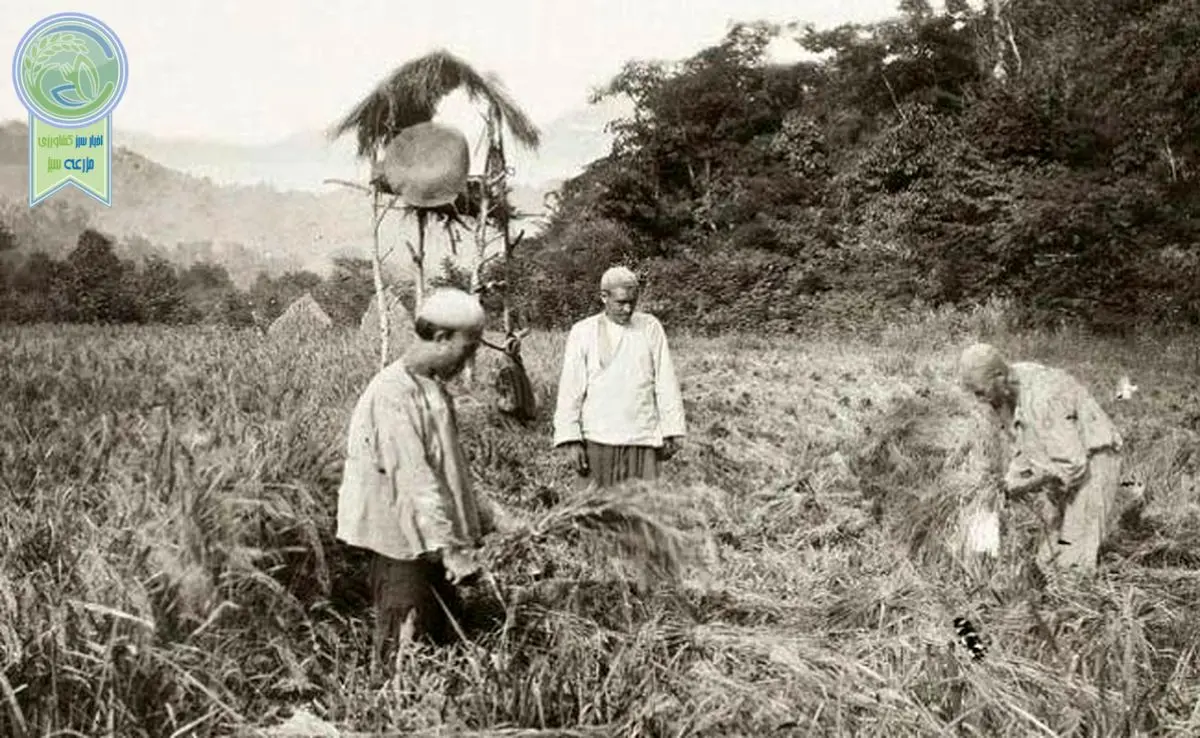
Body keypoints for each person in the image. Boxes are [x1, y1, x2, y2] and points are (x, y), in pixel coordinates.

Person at [336, 287, 503, 667]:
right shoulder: (392, 394)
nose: (471, 358)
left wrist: (492, 517)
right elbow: (413, 481)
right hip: (399, 538)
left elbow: (449, 469)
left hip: (429, 535)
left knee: (445, 638)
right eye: (469, 347)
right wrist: (452, 551)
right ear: (442, 337)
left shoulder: (431, 389)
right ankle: (391, 714)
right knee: (404, 640)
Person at [958, 342, 1123, 576]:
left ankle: (1084, 589)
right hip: (1058, 461)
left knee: (1071, 566)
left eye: (980, 392)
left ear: (999, 377)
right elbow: (1024, 443)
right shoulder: (1008, 389)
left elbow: (1073, 465)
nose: (979, 399)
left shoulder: (1042, 398)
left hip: (1092, 461)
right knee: (1047, 559)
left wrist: (1025, 486)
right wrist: (1003, 486)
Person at [552, 266, 687, 488]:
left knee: (643, 513)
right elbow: (570, 390)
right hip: (597, 438)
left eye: (632, 303)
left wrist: (672, 430)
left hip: (642, 437)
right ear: (603, 297)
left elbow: (666, 381)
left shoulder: (650, 327)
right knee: (595, 513)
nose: (627, 309)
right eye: (620, 303)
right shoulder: (582, 332)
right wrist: (571, 439)